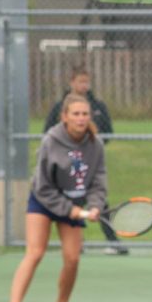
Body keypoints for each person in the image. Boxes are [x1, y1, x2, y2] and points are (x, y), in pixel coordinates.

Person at [0, 93, 107, 302]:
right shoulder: (51, 141)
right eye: (75, 114)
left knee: (72, 258)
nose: (81, 118)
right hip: (43, 200)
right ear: (65, 117)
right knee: (35, 253)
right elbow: (43, 186)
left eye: (85, 114)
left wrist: (96, 205)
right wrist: (73, 211)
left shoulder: (95, 145)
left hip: (74, 201)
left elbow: (98, 178)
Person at [45, 66, 126, 255]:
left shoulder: (97, 107)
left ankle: (113, 242)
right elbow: (47, 133)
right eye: (80, 81)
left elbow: (107, 133)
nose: (84, 86)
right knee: (70, 201)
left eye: (87, 82)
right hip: (65, 164)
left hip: (88, 162)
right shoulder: (59, 108)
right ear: (72, 82)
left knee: (99, 200)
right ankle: (75, 243)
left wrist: (89, 148)